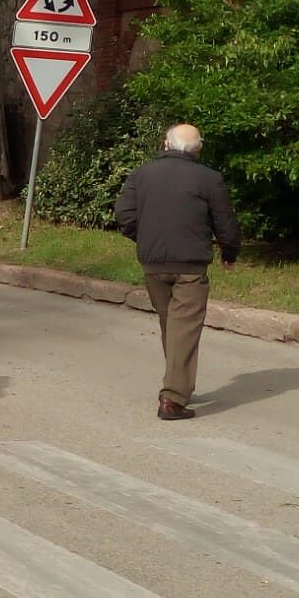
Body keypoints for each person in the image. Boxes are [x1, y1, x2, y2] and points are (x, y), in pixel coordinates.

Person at [113, 124, 241, 421]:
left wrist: (142, 238)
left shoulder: (141, 175)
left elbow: (124, 214)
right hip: (190, 265)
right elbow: (225, 221)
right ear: (198, 148)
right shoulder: (209, 179)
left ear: (165, 144)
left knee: (171, 324)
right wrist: (230, 252)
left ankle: (177, 383)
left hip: (153, 265)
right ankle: (172, 398)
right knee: (183, 327)